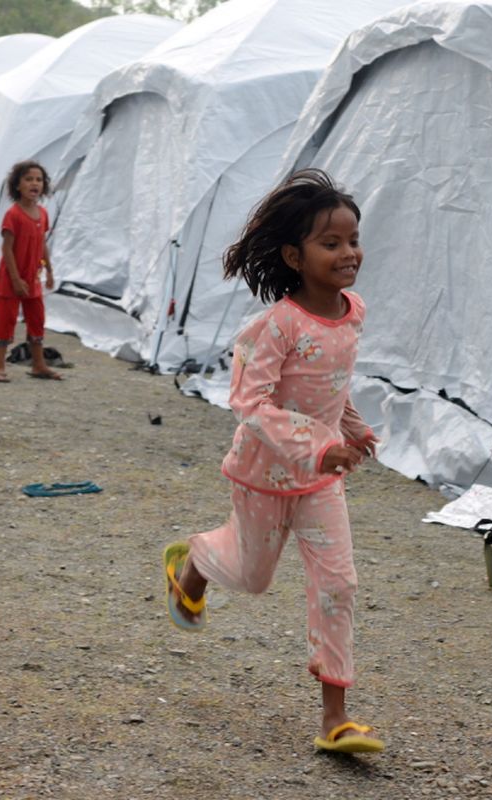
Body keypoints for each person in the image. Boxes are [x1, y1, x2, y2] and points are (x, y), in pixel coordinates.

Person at [162, 169, 383, 753]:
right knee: (254, 579)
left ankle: (335, 719)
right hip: (262, 476)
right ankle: (197, 561)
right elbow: (249, 402)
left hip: (320, 482)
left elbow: (334, 383)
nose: (348, 253)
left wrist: (354, 431)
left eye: (353, 239)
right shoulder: (274, 326)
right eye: (330, 243)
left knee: (339, 584)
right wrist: (319, 445)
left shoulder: (353, 311)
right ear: (293, 255)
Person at [0, 160, 60, 382]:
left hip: (33, 278)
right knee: (6, 321)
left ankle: (39, 364)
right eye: (28, 179)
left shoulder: (43, 214)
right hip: (11, 280)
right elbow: (7, 249)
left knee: (37, 319)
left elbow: (41, 244)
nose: (34, 184)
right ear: (17, 185)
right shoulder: (14, 215)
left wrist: (48, 270)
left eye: (38, 180)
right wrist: (16, 278)